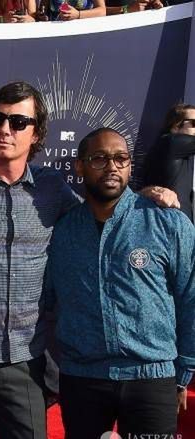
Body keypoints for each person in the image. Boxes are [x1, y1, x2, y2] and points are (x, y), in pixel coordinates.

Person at [0, 81, 79, 439]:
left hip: (25, 358)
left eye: (19, 122)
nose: (5, 130)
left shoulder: (52, 188)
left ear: (36, 134)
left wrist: (147, 198)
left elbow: (96, 217)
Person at [45, 127, 195, 438]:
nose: (112, 166)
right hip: (82, 379)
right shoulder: (62, 230)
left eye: (121, 158)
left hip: (152, 378)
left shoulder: (167, 222)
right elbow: (45, 301)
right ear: (80, 166)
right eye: (99, 159)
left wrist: (183, 372)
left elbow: (190, 297)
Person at [143, 103, 195, 222]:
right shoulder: (170, 143)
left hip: (180, 226)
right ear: (175, 127)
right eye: (194, 123)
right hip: (166, 225)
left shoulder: (184, 152)